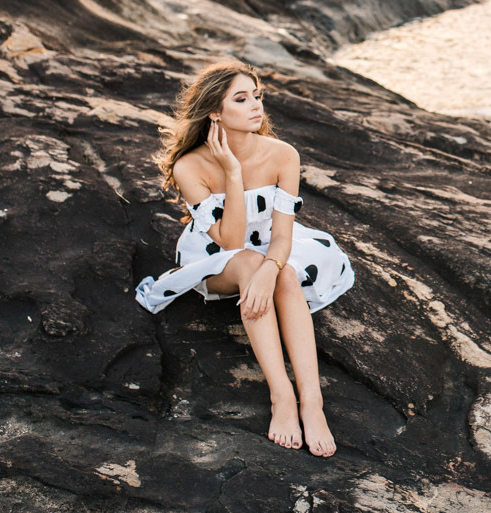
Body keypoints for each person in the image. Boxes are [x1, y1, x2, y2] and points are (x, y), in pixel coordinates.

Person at [134, 59, 354, 457]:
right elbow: (231, 241)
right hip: (217, 255)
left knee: (284, 275)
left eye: (257, 96)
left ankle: (312, 403)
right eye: (241, 98)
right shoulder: (190, 165)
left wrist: (272, 268)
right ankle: (281, 397)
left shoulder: (283, 155)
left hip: (272, 246)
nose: (256, 106)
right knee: (250, 262)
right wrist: (232, 173)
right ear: (215, 112)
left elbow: (283, 235)